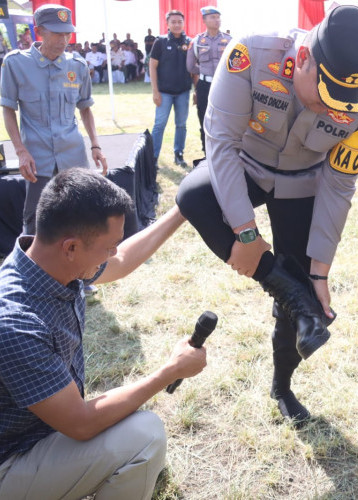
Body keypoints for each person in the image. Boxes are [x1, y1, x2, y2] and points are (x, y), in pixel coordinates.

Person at [176, 5, 358, 426]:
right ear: (303, 59)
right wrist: (246, 233)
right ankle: (284, 286)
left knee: (304, 285)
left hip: (302, 182)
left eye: (341, 104)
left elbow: (339, 185)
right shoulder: (251, 55)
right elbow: (219, 143)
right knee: (193, 196)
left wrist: (320, 273)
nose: (331, 111)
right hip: (246, 165)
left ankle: (283, 384)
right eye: (324, 97)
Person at [0, 169, 207, 499]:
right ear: (71, 247)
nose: (113, 253)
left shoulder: (50, 263)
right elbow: (81, 423)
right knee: (145, 437)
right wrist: (170, 371)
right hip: (10, 464)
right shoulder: (16, 323)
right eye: (108, 246)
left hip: (39, 434)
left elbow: (123, 260)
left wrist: (183, 210)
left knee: (133, 439)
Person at [0, 4, 107, 236]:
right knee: (36, 219)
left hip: (73, 153)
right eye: (58, 33)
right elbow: (8, 109)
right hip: (37, 157)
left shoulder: (77, 66)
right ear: (39, 31)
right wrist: (20, 151)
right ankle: (30, 266)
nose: (64, 39)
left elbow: (86, 108)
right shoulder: (15, 63)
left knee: (79, 213)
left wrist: (95, 145)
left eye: (68, 33)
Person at [186, 6, 232, 154]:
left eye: (218, 17)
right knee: (204, 117)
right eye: (212, 17)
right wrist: (204, 71)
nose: (217, 20)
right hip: (204, 85)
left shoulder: (230, 40)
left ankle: (226, 151)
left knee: (226, 119)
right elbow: (190, 66)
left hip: (224, 85)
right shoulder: (197, 41)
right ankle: (207, 153)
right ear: (204, 20)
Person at [149, 10, 192, 168]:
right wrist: (155, 91)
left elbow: (193, 69)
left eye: (179, 21)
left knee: (181, 124)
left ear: (183, 23)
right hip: (164, 92)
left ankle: (178, 154)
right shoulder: (160, 42)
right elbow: (152, 67)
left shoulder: (189, 42)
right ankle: (153, 158)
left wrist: (195, 91)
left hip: (183, 92)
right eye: (173, 22)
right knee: (159, 125)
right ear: (167, 24)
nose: (176, 24)